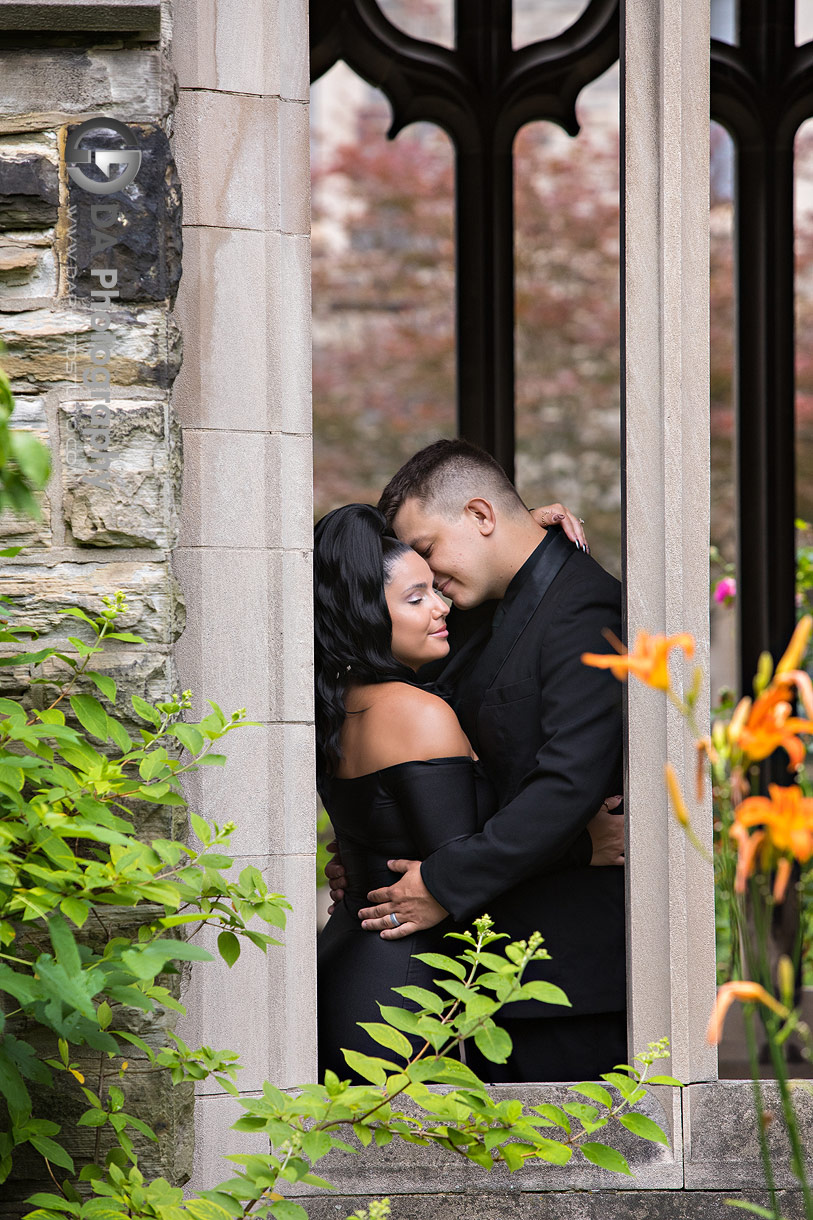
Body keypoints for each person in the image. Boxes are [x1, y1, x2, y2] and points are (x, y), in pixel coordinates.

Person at [346, 438, 627, 1083]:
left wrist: (443, 883)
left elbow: (567, 783)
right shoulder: (483, 611)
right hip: (484, 973)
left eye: (427, 550)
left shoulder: (581, 607)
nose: (429, 578)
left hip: (563, 979)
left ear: (480, 514)